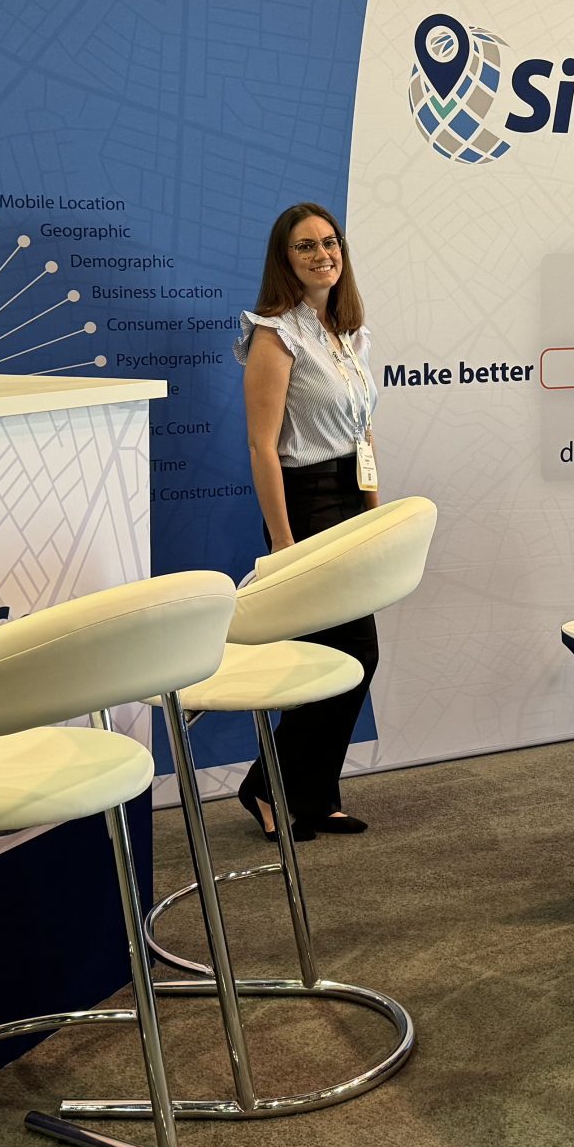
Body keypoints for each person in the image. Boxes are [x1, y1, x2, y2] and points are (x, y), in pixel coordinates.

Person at [235, 201, 382, 842]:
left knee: (351, 656)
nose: (323, 253)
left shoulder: (347, 332)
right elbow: (263, 446)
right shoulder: (275, 334)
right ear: (285, 259)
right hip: (307, 503)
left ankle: (315, 796)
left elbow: (363, 429)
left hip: (352, 494)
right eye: (305, 246)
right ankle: (266, 787)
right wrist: (285, 540)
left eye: (330, 241)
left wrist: (376, 512)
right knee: (343, 653)